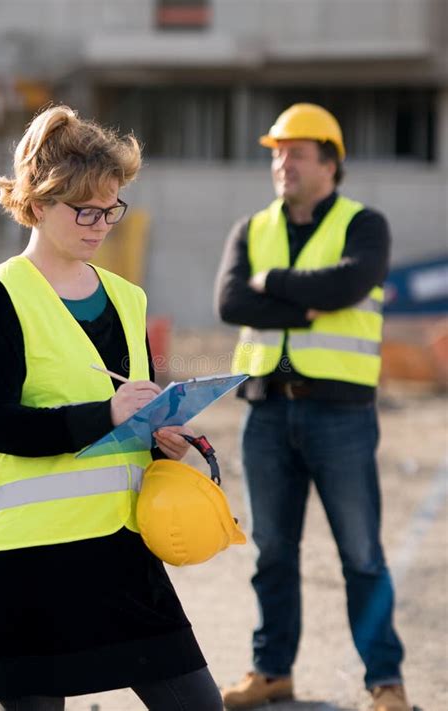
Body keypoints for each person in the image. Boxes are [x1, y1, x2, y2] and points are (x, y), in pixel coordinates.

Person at [0, 105, 223, 711]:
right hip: (30, 558)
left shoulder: (127, 298)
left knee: (198, 704)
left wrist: (156, 431)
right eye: (85, 210)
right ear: (36, 204)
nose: (101, 223)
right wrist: (104, 417)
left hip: (121, 545)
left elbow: (129, 407)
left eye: (111, 208)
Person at [215, 103, 411, 711]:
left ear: (330, 162)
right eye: (277, 152)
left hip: (341, 415)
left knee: (360, 554)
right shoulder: (251, 227)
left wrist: (267, 283)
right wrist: (302, 301)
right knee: (272, 552)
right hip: (266, 412)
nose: (282, 163)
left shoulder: (365, 225)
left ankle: (386, 682)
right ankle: (272, 671)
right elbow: (228, 303)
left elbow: (346, 286)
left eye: (296, 152)